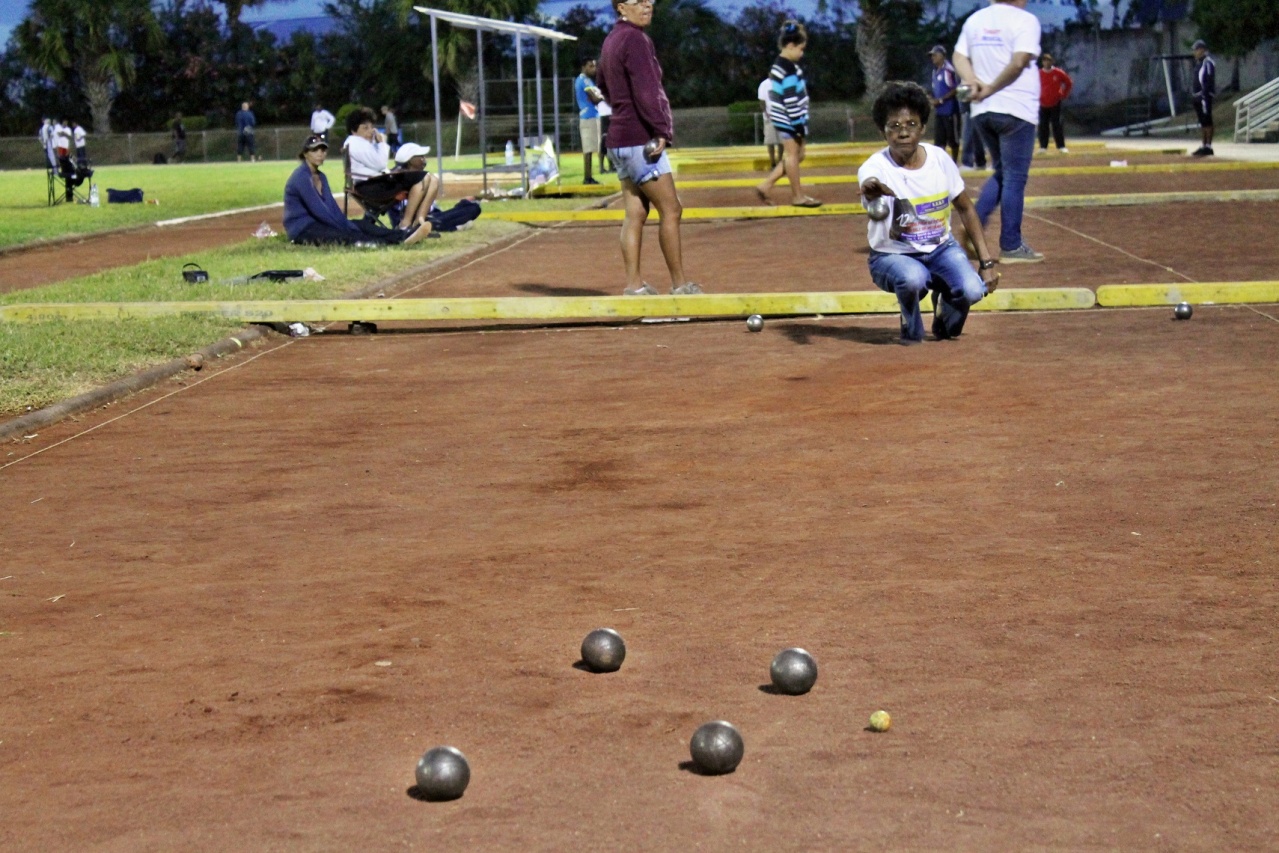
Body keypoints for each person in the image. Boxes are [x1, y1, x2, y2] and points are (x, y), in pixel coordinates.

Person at [857, 82, 1000, 345]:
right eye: (894, 126)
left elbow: (966, 209)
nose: (903, 132)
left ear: (922, 127)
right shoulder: (874, 167)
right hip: (892, 256)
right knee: (913, 279)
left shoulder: (940, 160)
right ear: (883, 131)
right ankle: (909, 323)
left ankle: (944, 307)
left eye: (911, 124)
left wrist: (986, 262)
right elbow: (869, 184)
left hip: (941, 250)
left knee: (972, 291)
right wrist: (870, 191)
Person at [597, 0, 703, 296]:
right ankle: (680, 285)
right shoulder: (636, 39)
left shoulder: (611, 39)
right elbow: (647, 92)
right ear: (620, 7)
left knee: (635, 214)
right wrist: (661, 130)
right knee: (671, 209)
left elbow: (601, 85)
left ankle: (634, 286)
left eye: (649, 0)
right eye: (637, 1)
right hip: (639, 139)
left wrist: (621, 105)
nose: (647, 5)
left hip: (617, 140)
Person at [953, 0, 1043, 263]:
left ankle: (975, 225)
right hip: (1016, 108)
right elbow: (1019, 62)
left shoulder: (975, 20)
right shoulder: (1025, 20)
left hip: (982, 111)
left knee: (1003, 173)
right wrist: (991, 87)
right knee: (1015, 177)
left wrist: (971, 81)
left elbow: (959, 56)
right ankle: (1011, 245)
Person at [283, 135, 431, 246]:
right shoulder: (301, 177)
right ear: (305, 154)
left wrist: (347, 224)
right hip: (303, 229)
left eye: (323, 150)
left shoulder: (321, 177)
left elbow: (332, 207)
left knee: (363, 225)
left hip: (320, 222)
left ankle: (403, 235)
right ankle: (386, 243)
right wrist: (345, 227)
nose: (320, 153)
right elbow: (319, 210)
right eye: (315, 150)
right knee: (346, 235)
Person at [755, 20, 821, 207]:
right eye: (800, 49)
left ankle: (766, 185)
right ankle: (797, 196)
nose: (802, 53)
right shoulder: (787, 67)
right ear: (790, 45)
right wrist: (798, 123)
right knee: (793, 155)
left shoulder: (781, 64)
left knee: (798, 155)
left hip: (785, 117)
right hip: (789, 118)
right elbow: (790, 97)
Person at [343, 106, 432, 232]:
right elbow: (380, 163)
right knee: (424, 177)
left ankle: (416, 222)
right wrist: (382, 143)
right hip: (372, 187)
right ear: (353, 130)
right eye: (365, 128)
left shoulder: (357, 143)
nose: (370, 131)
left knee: (429, 178)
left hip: (374, 183)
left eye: (371, 127)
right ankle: (407, 224)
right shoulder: (356, 143)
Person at [390, 142, 441, 229]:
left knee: (433, 179)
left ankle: (419, 222)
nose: (424, 159)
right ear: (409, 159)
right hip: (402, 217)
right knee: (464, 212)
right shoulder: (396, 178)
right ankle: (407, 225)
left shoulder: (427, 178)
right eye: (421, 156)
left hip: (426, 216)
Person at [575, 57, 604, 185]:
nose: (594, 68)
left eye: (594, 66)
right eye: (590, 66)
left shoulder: (588, 81)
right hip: (588, 116)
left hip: (592, 115)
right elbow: (595, 99)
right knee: (588, 149)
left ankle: (589, 176)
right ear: (583, 67)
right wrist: (602, 97)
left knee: (591, 148)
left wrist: (599, 97)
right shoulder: (583, 80)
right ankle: (587, 177)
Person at [928, 45, 961, 162]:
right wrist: (931, 98)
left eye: (935, 55)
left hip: (950, 110)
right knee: (939, 140)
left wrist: (941, 100)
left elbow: (955, 89)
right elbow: (935, 89)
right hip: (939, 111)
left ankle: (954, 162)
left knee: (953, 138)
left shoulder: (948, 70)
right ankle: (941, 163)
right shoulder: (935, 72)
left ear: (942, 56)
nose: (933, 58)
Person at [1037, 53, 1073, 154]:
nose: (1046, 62)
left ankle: (1061, 146)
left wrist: (1064, 94)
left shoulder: (1058, 72)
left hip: (1055, 102)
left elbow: (1068, 82)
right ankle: (1043, 147)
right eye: (1044, 60)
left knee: (1057, 124)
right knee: (1043, 125)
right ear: (1042, 62)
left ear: (1052, 62)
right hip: (1043, 103)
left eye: (1048, 60)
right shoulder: (1039, 73)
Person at [1190, 39, 1216, 157]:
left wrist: (1204, 95)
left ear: (1202, 50)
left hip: (1204, 96)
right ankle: (1204, 145)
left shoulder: (1207, 62)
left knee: (1207, 121)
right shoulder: (1198, 63)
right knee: (1202, 122)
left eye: (1196, 50)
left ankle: (1208, 146)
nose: (1194, 52)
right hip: (1197, 97)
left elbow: (1207, 81)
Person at [757, 76, 779, 168]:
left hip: (781, 116)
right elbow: (762, 101)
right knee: (770, 141)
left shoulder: (781, 82)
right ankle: (773, 162)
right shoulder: (764, 84)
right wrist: (766, 113)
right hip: (769, 117)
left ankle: (780, 160)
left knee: (782, 142)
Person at [959, 98, 986, 170]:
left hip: (972, 108)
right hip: (976, 108)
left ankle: (968, 162)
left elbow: (964, 94)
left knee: (969, 135)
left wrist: (963, 108)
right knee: (976, 137)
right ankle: (980, 162)